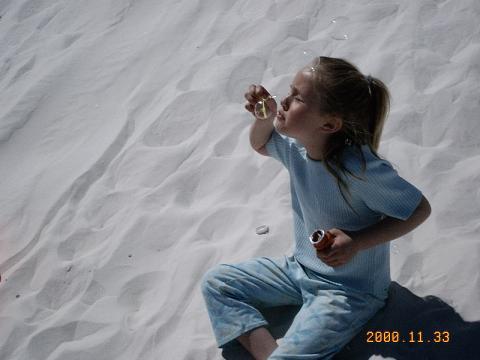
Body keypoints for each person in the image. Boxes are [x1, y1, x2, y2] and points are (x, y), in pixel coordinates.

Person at [200, 56, 431, 359]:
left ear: (329, 124)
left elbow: (419, 209)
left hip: (350, 292)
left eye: (297, 98)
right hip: (299, 269)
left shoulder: (358, 169)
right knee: (217, 283)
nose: (283, 99)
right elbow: (260, 144)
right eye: (289, 91)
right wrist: (264, 119)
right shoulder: (298, 149)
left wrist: (357, 242)